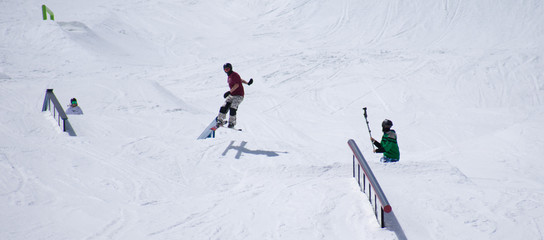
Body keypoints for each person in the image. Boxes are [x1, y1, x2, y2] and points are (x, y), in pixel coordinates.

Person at [216, 63, 253, 128]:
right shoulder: (229, 76)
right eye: (225, 70)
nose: (226, 71)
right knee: (224, 106)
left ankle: (232, 123)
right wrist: (247, 83)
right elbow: (240, 80)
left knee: (233, 108)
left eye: (227, 69)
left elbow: (237, 84)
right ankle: (220, 120)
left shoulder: (234, 75)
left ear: (231, 68)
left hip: (239, 95)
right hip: (232, 95)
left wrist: (229, 92)